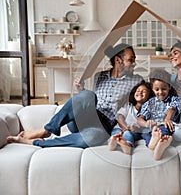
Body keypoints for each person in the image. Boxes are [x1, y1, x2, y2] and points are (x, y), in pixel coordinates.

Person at [7, 43, 144, 148]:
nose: (134, 63)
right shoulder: (99, 76)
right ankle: (46, 129)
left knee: (93, 139)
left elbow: (153, 96)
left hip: (103, 126)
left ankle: (36, 142)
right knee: (88, 95)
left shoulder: (137, 81)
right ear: (118, 60)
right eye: (130, 60)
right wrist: (81, 90)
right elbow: (88, 101)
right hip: (84, 118)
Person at [137, 69, 181, 160]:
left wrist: (167, 119)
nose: (160, 92)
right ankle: (156, 144)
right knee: (145, 133)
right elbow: (140, 118)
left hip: (164, 125)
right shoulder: (149, 102)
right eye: (157, 89)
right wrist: (146, 123)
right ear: (152, 89)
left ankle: (158, 142)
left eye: (164, 89)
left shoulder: (174, 99)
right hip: (151, 127)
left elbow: (172, 109)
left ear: (169, 86)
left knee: (164, 129)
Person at [108, 81, 154, 154]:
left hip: (133, 132)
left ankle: (127, 146)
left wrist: (135, 129)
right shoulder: (129, 106)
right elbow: (120, 117)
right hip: (120, 128)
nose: (140, 92)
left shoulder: (148, 111)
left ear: (150, 95)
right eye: (138, 90)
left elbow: (145, 127)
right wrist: (124, 127)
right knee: (116, 133)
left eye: (144, 91)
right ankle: (113, 143)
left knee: (127, 134)